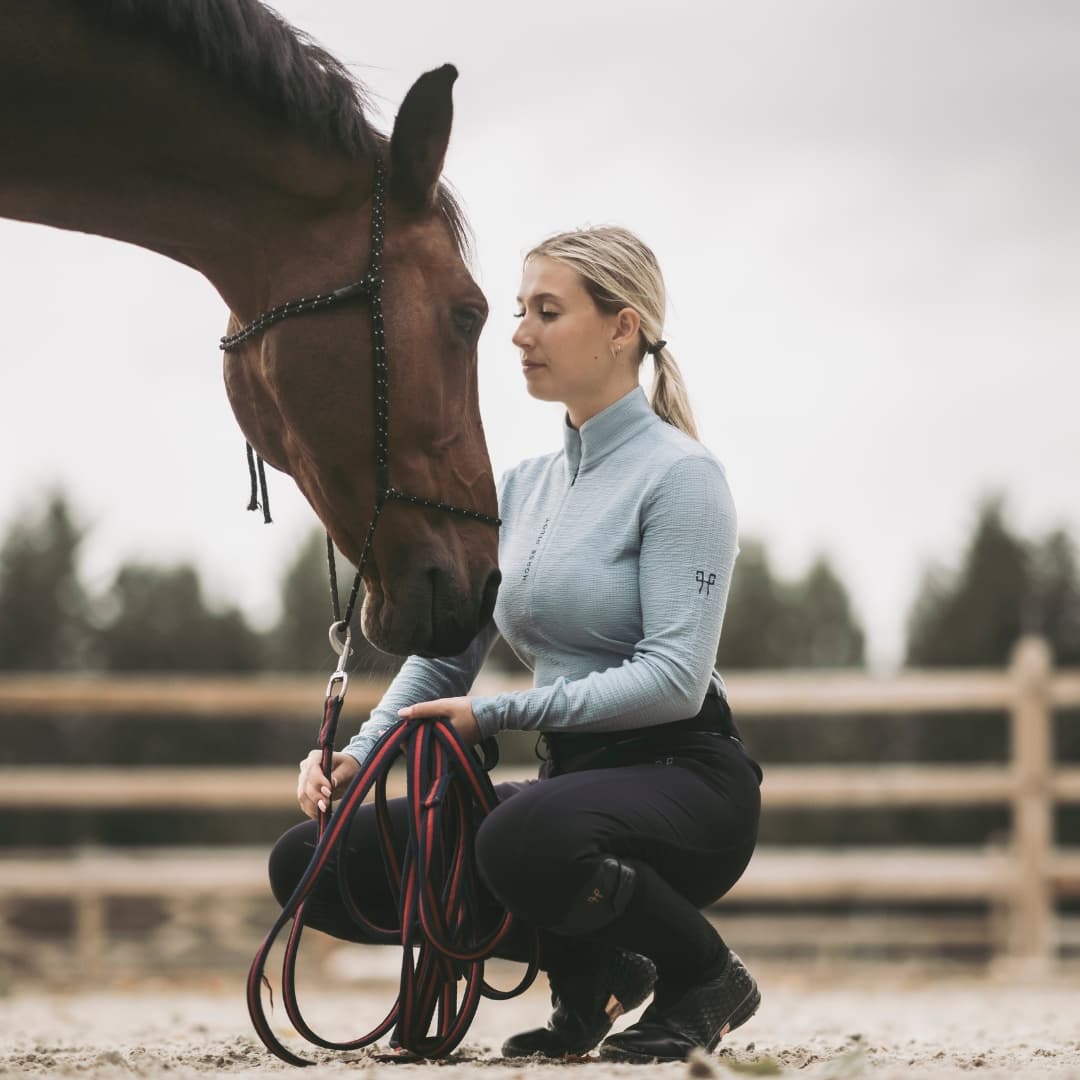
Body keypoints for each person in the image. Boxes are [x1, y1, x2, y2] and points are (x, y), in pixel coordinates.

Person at [271, 226, 763, 1063]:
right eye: (519, 311)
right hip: (565, 795)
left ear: (623, 327)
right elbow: (444, 658)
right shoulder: (518, 488)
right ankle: (600, 962)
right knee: (312, 861)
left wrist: (494, 711)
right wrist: (360, 753)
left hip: (684, 783)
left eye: (547, 311)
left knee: (519, 838)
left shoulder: (683, 479)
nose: (519, 334)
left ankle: (706, 976)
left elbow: (676, 680)